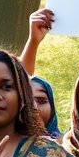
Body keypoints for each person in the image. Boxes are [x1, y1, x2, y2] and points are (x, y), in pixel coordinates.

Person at [19, 9, 63, 137]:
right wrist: (33, 40)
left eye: (41, 100)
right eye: (26, 101)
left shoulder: (66, 147)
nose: (34, 107)